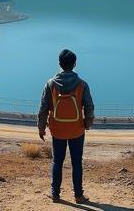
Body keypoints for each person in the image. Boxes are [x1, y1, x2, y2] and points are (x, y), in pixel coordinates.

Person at [38, 48, 94, 203]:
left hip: (57, 130)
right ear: (75, 64)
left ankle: (55, 194)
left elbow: (43, 109)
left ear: (59, 64)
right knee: (77, 162)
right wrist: (87, 124)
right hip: (77, 129)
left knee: (57, 161)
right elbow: (89, 107)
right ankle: (78, 195)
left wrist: (41, 128)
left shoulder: (50, 85)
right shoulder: (82, 85)